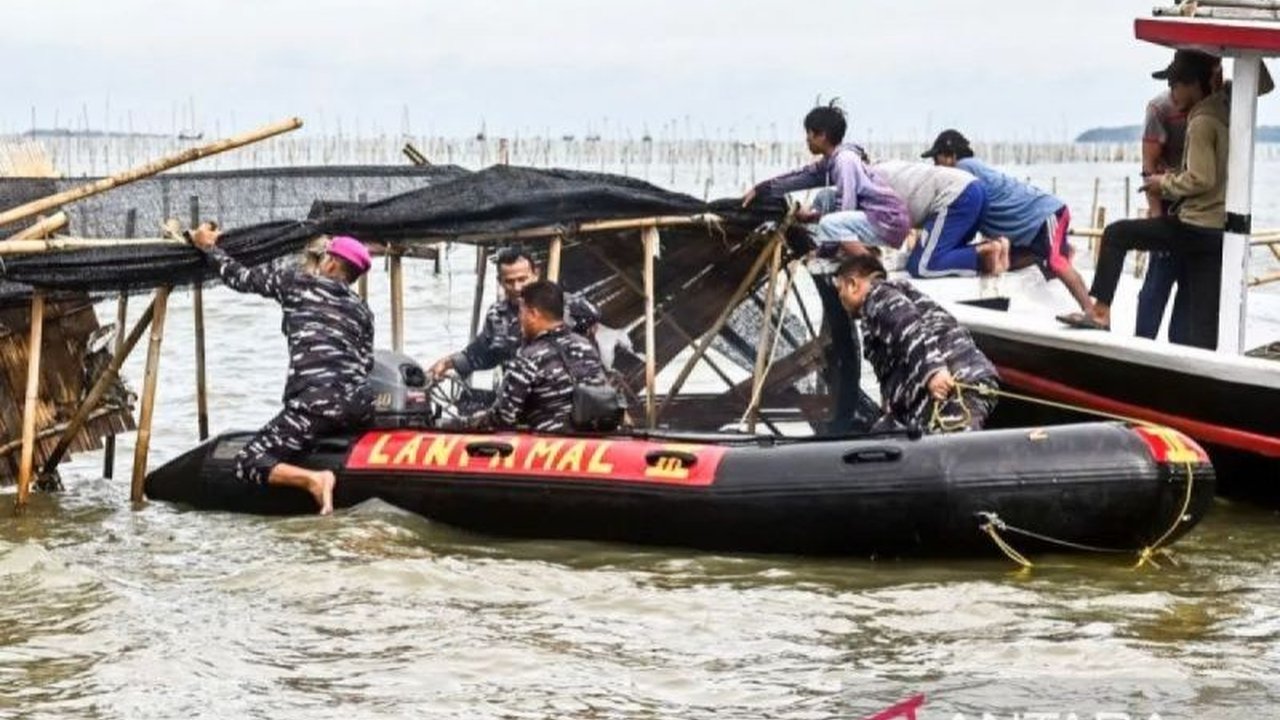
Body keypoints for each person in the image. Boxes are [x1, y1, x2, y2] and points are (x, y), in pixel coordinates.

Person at [189, 227, 375, 515]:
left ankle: (315, 479)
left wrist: (208, 248)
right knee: (325, 419)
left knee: (250, 461)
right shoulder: (363, 310)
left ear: (332, 263)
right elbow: (366, 364)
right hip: (358, 407)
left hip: (314, 406)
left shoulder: (297, 284)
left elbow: (240, 278)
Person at [1057, 50, 1228, 350]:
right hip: (1219, 230)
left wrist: (1164, 183)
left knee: (1116, 234)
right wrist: (1220, 64)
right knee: (1200, 326)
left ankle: (1100, 313)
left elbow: (1201, 178)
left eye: (1176, 84)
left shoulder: (1201, 119)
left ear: (1191, 83)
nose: (1172, 93)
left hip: (1195, 225)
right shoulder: (1227, 106)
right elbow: (1263, 83)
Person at [924, 129, 1093, 315]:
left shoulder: (961, 170)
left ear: (951, 156)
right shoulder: (971, 168)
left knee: (1055, 261)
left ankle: (1091, 312)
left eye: (936, 159)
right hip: (1030, 225)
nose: (935, 165)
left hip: (1045, 214)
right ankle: (1046, 253)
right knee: (1006, 261)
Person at [833, 254, 1000, 433]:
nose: (840, 298)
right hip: (932, 398)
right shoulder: (876, 309)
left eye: (840, 290)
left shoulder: (878, 295)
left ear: (853, 285)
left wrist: (933, 372)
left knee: (952, 450)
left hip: (955, 383)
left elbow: (909, 327)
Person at [743, 103, 910, 255]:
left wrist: (824, 251)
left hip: (887, 221)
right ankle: (847, 250)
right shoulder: (831, 160)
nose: (807, 139)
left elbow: (846, 206)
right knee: (825, 197)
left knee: (830, 224)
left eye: (808, 133)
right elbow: (801, 176)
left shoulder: (845, 160)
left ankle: (871, 268)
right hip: (873, 217)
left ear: (821, 135)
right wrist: (762, 189)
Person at [455, 280, 609, 433]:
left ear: (533, 314)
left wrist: (469, 423)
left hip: (549, 445)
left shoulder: (528, 357)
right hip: (592, 440)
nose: (520, 319)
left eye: (522, 312)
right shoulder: (586, 346)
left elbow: (504, 417)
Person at [429, 246, 600, 379]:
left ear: (535, 274)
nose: (517, 288)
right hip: (518, 397)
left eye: (522, 279)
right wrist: (447, 363)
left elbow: (593, 322)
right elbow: (482, 353)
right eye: (509, 282)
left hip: (563, 399)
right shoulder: (498, 315)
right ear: (500, 281)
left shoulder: (565, 304)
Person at [873, 159, 1008, 278]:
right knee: (944, 252)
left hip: (956, 196)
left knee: (921, 266)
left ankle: (984, 253)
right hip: (975, 190)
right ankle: (996, 248)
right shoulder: (882, 168)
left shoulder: (866, 183)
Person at [1136, 87, 1192, 342]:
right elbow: (1148, 169)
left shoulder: (1217, 100)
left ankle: (1181, 351)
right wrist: (1157, 219)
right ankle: (1141, 347)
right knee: (1157, 283)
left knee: (1190, 289)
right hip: (1169, 204)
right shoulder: (1160, 108)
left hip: (1202, 210)